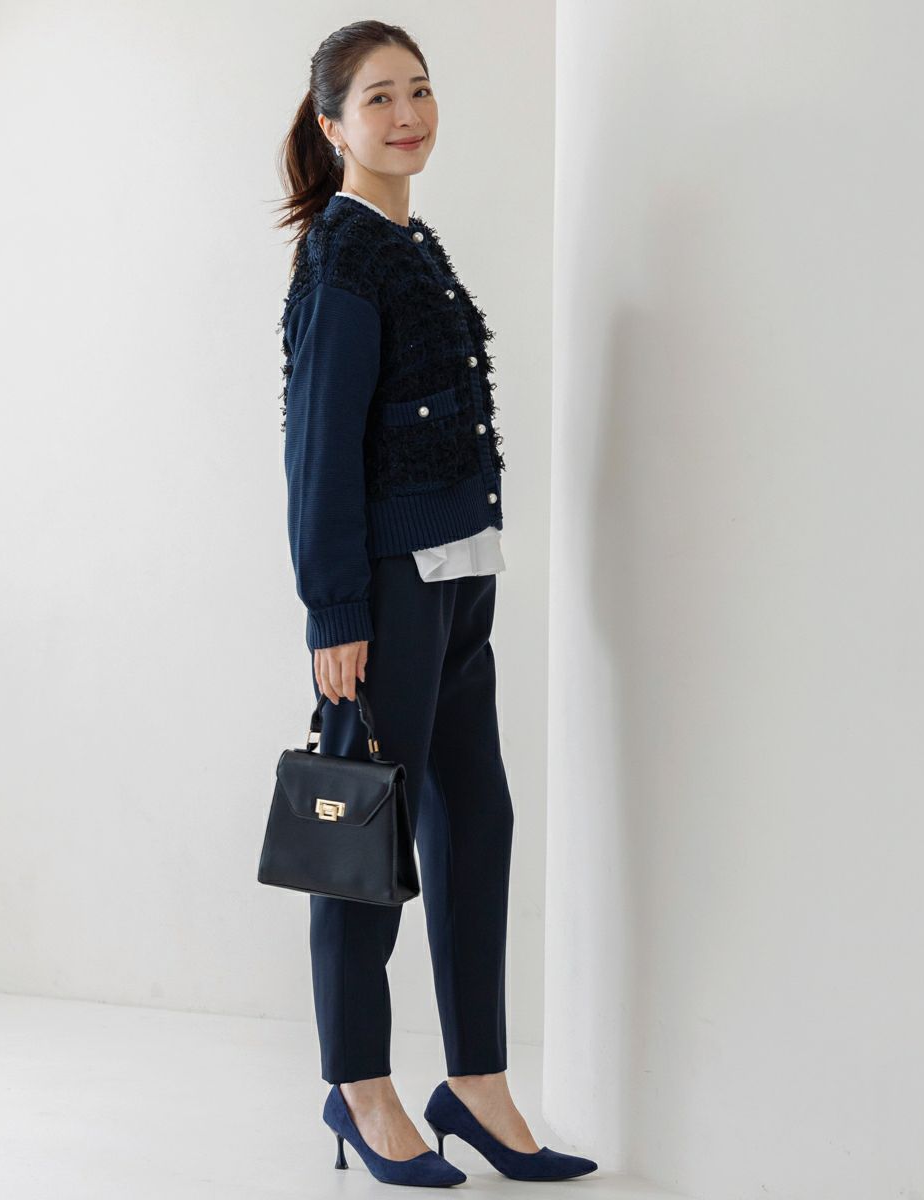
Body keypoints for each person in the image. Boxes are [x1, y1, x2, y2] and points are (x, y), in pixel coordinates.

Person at [273, 19, 598, 1187]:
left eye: (419, 90)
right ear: (333, 125)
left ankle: (476, 1085)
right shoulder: (345, 258)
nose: (407, 115)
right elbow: (317, 452)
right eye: (379, 98)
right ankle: (360, 1088)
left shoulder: (410, 242)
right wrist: (334, 613)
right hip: (389, 595)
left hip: (461, 583)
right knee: (362, 838)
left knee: (477, 826)